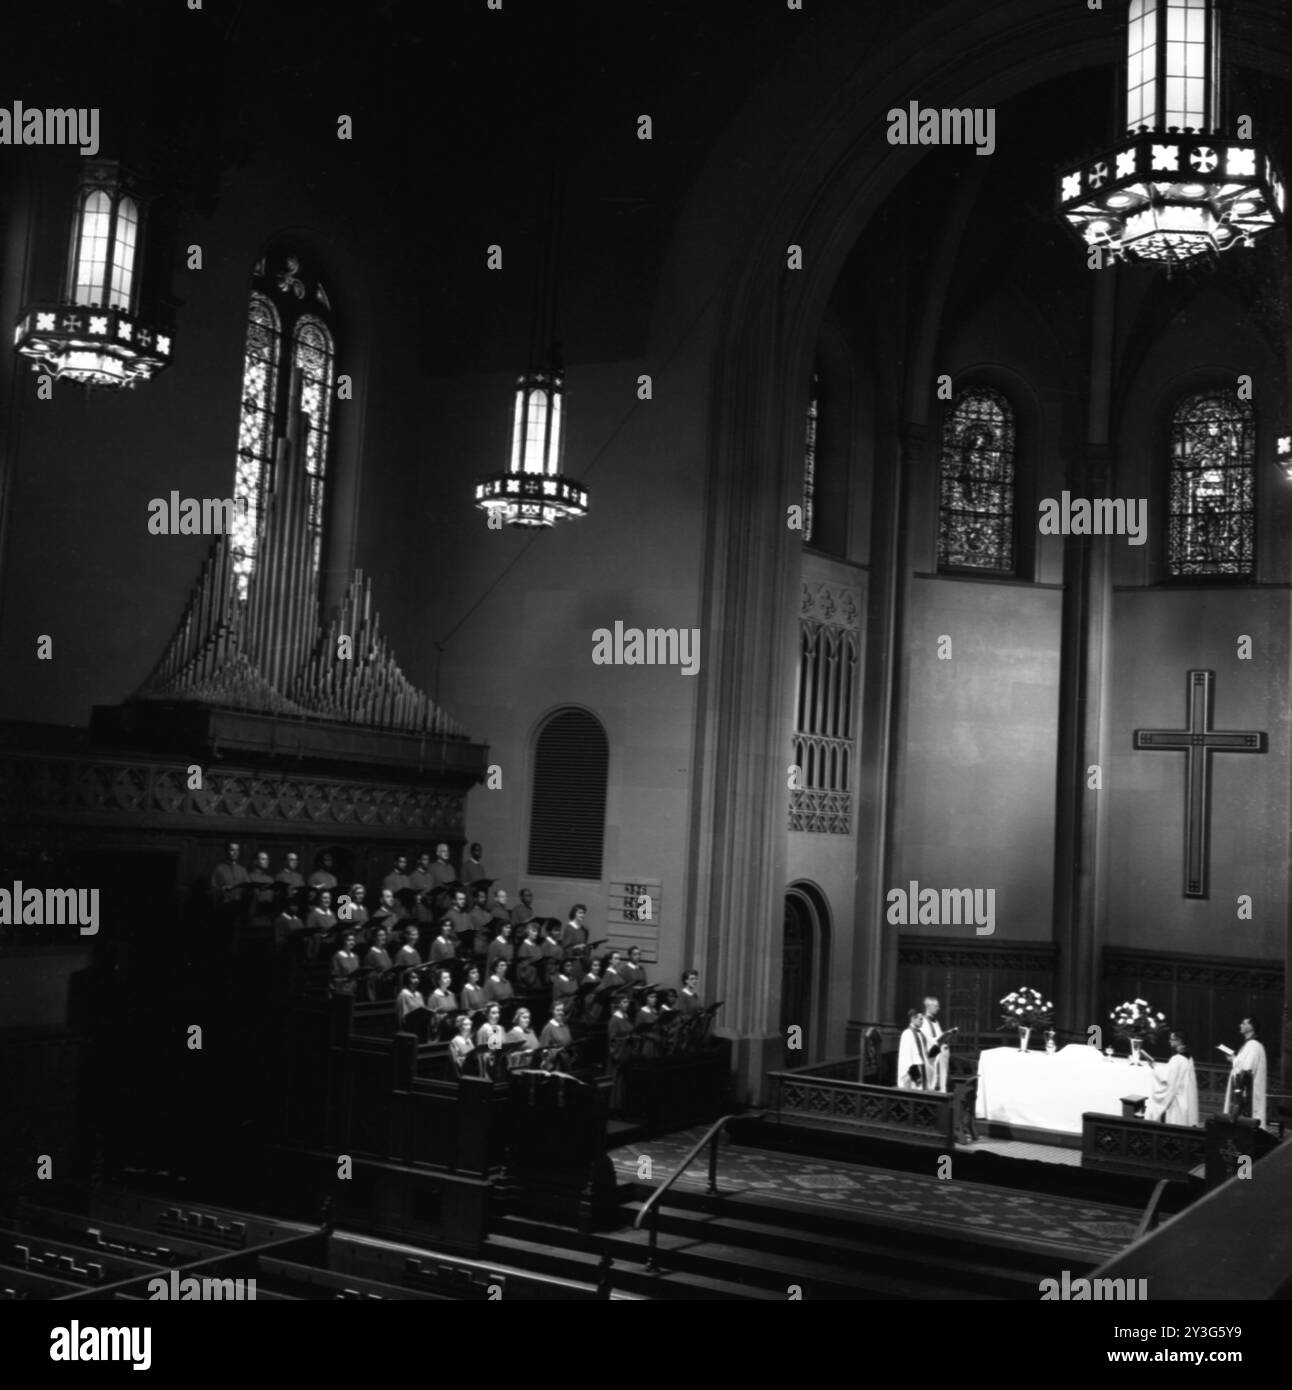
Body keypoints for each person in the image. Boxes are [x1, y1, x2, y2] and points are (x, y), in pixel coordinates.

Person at [1145, 1031, 1199, 1126]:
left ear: (1179, 1041)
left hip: (1178, 1098)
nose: (1169, 1041)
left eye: (1172, 1039)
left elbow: (1166, 1079)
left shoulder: (1177, 1059)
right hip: (1186, 1094)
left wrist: (1154, 1067)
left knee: (1177, 1122)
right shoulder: (1189, 1057)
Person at [1224, 1017, 1268, 1127]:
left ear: (1251, 1027)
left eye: (1244, 1023)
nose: (1240, 1025)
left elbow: (1247, 1069)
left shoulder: (1253, 1045)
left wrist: (1233, 1060)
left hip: (1246, 1093)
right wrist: (1235, 1059)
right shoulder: (1249, 1044)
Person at [918, 995, 950, 1092]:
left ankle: (942, 1090)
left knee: (942, 1081)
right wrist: (939, 1041)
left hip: (940, 1054)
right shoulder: (923, 1021)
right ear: (928, 1007)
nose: (938, 1008)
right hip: (931, 1056)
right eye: (936, 1006)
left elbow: (939, 1036)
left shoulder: (936, 1021)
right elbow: (927, 1039)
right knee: (931, 1082)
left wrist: (946, 1037)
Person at [897, 1010, 930, 1091]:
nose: (922, 1021)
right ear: (912, 1019)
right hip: (913, 1074)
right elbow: (908, 1058)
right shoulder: (907, 1034)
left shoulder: (920, 1034)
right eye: (920, 1019)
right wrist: (916, 1077)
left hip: (920, 1070)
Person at [210, 841, 249, 906]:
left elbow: (247, 890)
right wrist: (222, 890)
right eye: (232, 850)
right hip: (224, 907)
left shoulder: (243, 870)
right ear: (226, 852)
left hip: (240, 907)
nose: (235, 853)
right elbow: (213, 890)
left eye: (237, 850)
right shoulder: (219, 869)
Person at [539, 1000, 573, 1070]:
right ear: (552, 1011)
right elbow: (543, 1049)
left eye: (562, 1010)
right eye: (558, 1010)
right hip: (556, 1065)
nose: (561, 1012)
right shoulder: (548, 1028)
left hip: (568, 1062)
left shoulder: (565, 1025)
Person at [304, 889, 337, 959]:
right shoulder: (313, 914)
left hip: (332, 948)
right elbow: (309, 934)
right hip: (320, 949)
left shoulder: (332, 914)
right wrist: (322, 934)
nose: (327, 900)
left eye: (329, 898)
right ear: (319, 900)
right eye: (324, 898)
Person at [363, 927, 394, 998]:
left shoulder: (384, 951)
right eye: (380, 935)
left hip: (388, 986)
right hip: (378, 989)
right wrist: (379, 975)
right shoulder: (371, 954)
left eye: (384, 935)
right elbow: (367, 975)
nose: (383, 937)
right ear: (374, 938)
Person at [330, 930, 360, 996]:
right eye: (349, 940)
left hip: (355, 988)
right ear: (343, 941)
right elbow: (334, 977)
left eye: (353, 940)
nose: (352, 942)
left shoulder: (355, 956)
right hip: (343, 990)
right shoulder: (337, 956)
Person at [515, 920, 543, 990]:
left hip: (539, 977)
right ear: (527, 932)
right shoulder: (524, 946)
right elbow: (522, 967)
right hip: (530, 980)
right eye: (534, 931)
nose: (536, 933)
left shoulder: (538, 946)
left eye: (537, 931)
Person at [247, 850, 276, 914]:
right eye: (263, 859)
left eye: (267, 859)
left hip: (268, 915)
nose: (266, 861)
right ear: (255, 861)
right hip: (254, 914)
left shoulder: (270, 879)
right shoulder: (249, 877)